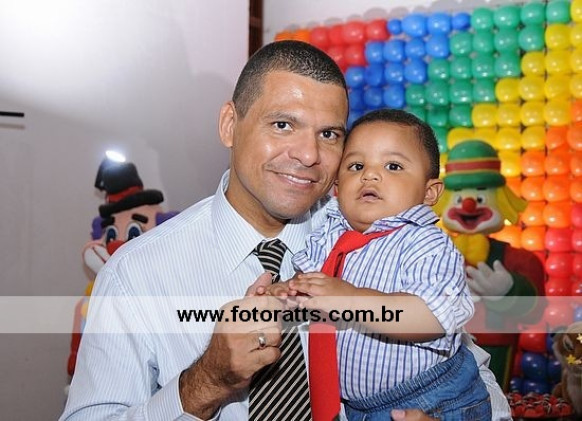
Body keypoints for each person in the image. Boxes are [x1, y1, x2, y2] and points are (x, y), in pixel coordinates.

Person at [61, 40, 510, 420]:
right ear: (230, 125)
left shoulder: (374, 232)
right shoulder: (136, 274)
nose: (309, 155)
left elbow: (465, 363)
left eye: (329, 135)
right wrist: (205, 383)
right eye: (282, 125)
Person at [259, 109, 491, 419]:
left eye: (393, 166)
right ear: (338, 186)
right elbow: (309, 289)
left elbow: (431, 317)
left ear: (429, 192)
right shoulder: (330, 234)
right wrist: (285, 294)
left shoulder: (426, 243)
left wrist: (350, 299)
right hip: (358, 408)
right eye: (356, 166)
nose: (369, 175)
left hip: (431, 398)